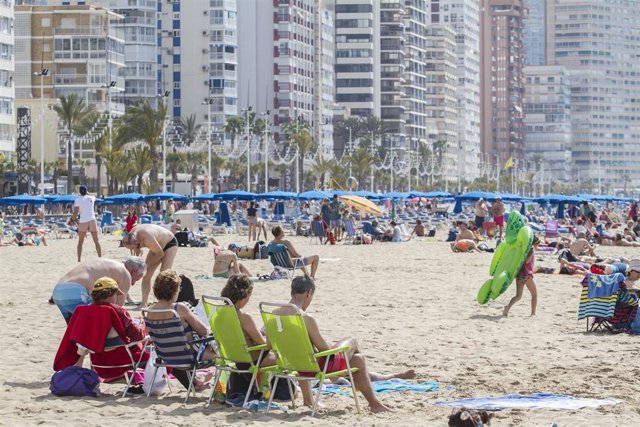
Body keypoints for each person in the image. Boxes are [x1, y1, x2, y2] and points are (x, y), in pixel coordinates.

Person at [273, 276, 414, 413]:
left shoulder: (274, 314)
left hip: (291, 365)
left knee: (358, 360)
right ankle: (369, 400)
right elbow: (324, 349)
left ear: (292, 292)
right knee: (352, 341)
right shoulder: (306, 318)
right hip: (316, 367)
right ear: (309, 293)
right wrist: (331, 346)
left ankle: (311, 399)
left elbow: (270, 345)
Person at [147, 270, 215, 392]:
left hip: (166, 357)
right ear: (174, 290)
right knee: (223, 356)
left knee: (178, 345)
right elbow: (204, 331)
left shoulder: (150, 311)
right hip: (188, 356)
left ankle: (196, 382)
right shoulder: (180, 308)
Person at [220, 275, 276, 396]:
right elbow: (264, 345)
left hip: (232, 357)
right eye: (249, 296)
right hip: (250, 360)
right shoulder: (244, 317)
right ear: (244, 295)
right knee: (285, 357)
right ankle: (281, 393)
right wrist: (273, 337)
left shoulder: (219, 315)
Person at [52, 257, 146, 323]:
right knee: (94, 325)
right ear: (133, 271)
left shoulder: (107, 264)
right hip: (75, 291)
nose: (133, 283)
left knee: (73, 330)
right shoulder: (125, 274)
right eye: (136, 279)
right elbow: (117, 308)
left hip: (57, 291)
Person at [122, 224, 179, 307]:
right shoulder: (131, 234)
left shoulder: (147, 237)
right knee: (146, 274)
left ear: (137, 241)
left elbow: (160, 253)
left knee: (164, 275)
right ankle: (144, 303)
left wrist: (147, 265)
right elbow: (137, 251)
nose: (132, 250)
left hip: (169, 243)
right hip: (156, 245)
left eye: (133, 247)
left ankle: (171, 302)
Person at [503, 236, 539, 317]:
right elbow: (527, 262)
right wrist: (532, 253)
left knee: (518, 296)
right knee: (534, 295)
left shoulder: (523, 249)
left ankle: (507, 308)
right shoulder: (531, 250)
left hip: (519, 275)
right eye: (537, 245)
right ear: (535, 244)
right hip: (527, 275)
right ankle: (533, 313)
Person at [71, 185, 102, 262]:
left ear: (79, 192)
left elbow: (76, 212)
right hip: (92, 219)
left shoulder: (77, 200)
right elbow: (93, 196)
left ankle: (79, 259)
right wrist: (88, 193)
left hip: (83, 221)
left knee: (80, 242)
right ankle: (100, 258)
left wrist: (72, 219)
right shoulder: (91, 198)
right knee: (96, 241)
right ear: (86, 191)